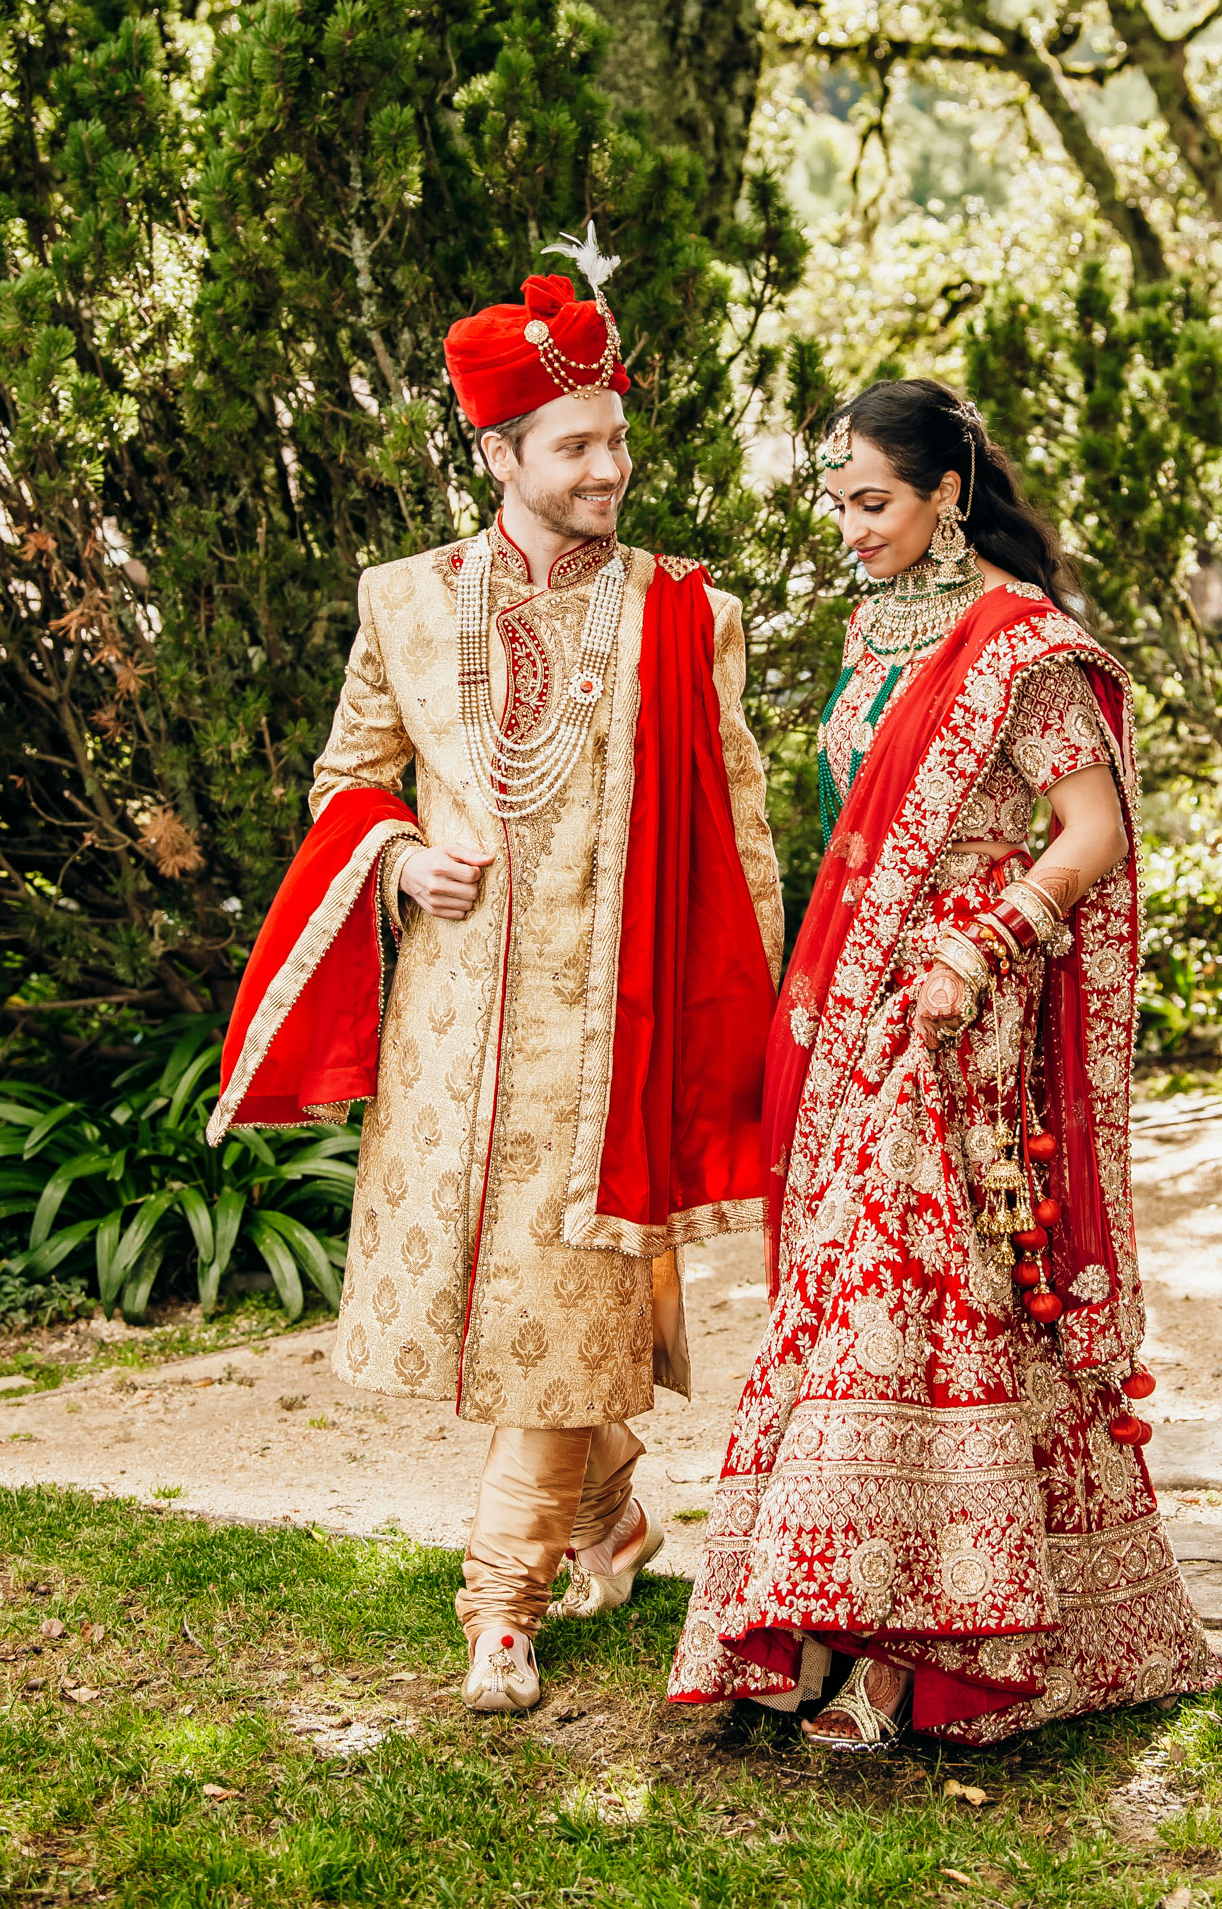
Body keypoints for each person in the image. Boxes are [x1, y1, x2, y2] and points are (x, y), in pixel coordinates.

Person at [208, 241, 784, 1715]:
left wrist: (759, 1033)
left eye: (620, 442)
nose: (612, 470)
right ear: (501, 449)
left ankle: (500, 1607)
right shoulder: (405, 605)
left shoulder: (683, 615)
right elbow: (350, 779)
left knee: (558, 1311)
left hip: (615, 1040)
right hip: (457, 1041)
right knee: (515, 1323)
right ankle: (616, 1521)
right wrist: (400, 860)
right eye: (579, 447)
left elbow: (742, 831)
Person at [668, 378, 1219, 1748]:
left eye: (873, 504)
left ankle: (910, 1647)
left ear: (945, 496)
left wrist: (980, 955)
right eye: (839, 504)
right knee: (855, 1297)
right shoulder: (873, 632)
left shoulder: (1026, 649)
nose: (850, 529)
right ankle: (827, 1616)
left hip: (969, 1013)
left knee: (924, 1298)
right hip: (862, 1005)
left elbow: (1088, 833)